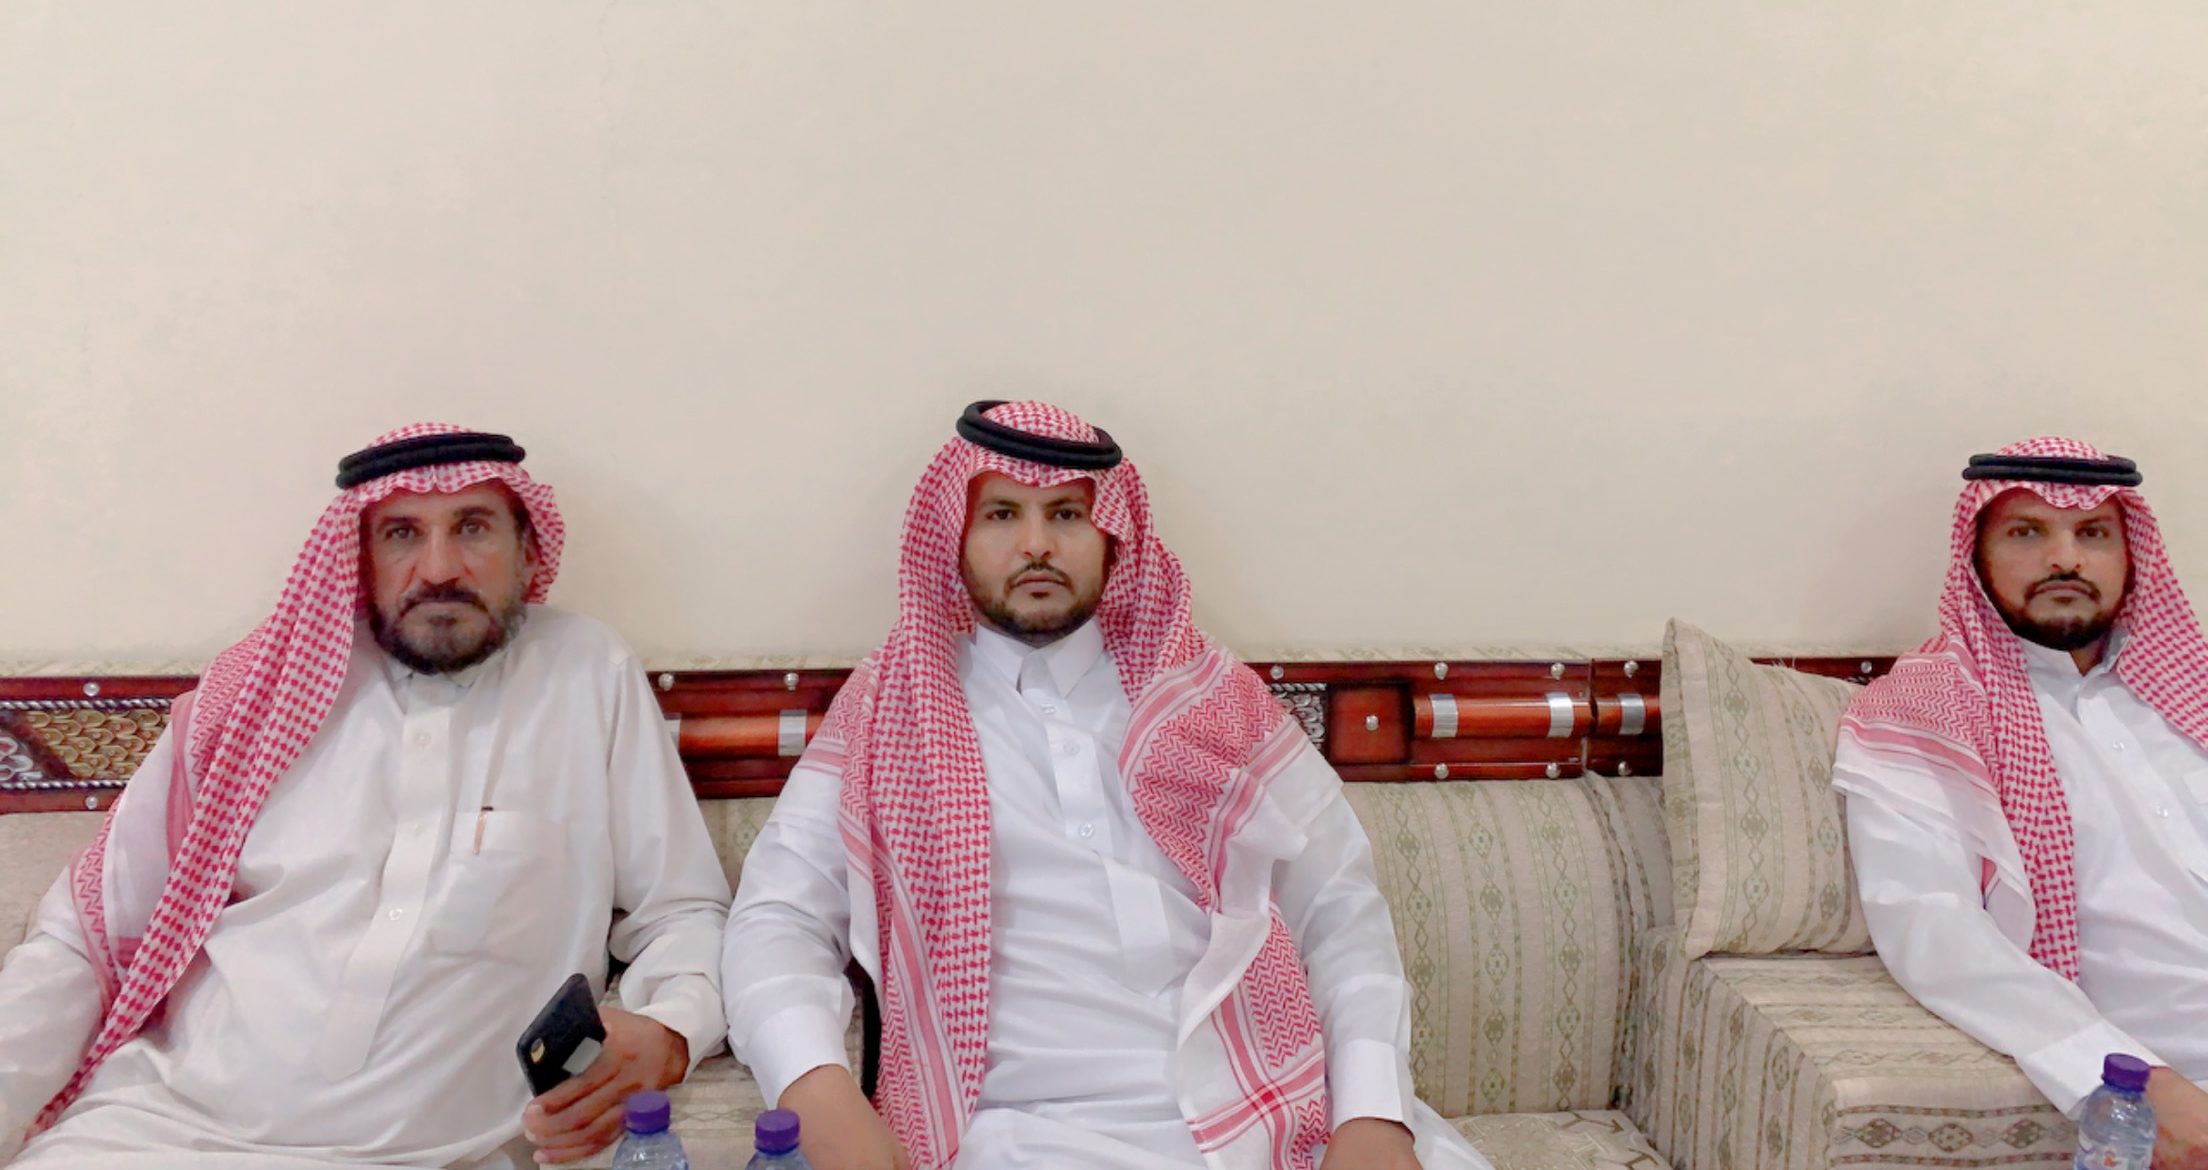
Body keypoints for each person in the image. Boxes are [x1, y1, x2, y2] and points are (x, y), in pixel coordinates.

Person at [723, 401, 1489, 1170]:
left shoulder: (1211, 694)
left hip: (1270, 1108)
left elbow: (1340, 910)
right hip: (1021, 1135)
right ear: (953, 535)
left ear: (1111, 536)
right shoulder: (893, 707)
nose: (1036, 544)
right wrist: (816, 1090)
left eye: (1066, 514)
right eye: (1001, 514)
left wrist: (1372, 1114)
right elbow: (778, 918)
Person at [0, 424, 732, 1169]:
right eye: (401, 533)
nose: (438, 569)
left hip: (428, 1157)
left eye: (473, 528)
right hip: (159, 1132)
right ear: (360, 557)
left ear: (529, 551)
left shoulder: (587, 673)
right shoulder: (261, 691)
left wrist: (671, 1029)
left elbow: (679, 912)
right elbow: (83, 940)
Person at [1835, 436, 2208, 1163]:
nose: (2065, 559)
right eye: (2027, 532)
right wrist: (2131, 1087)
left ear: (2130, 556)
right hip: (2171, 1074)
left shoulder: (2188, 692)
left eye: (2092, 534)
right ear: (1977, 557)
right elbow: (1935, 932)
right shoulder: (1927, 706)